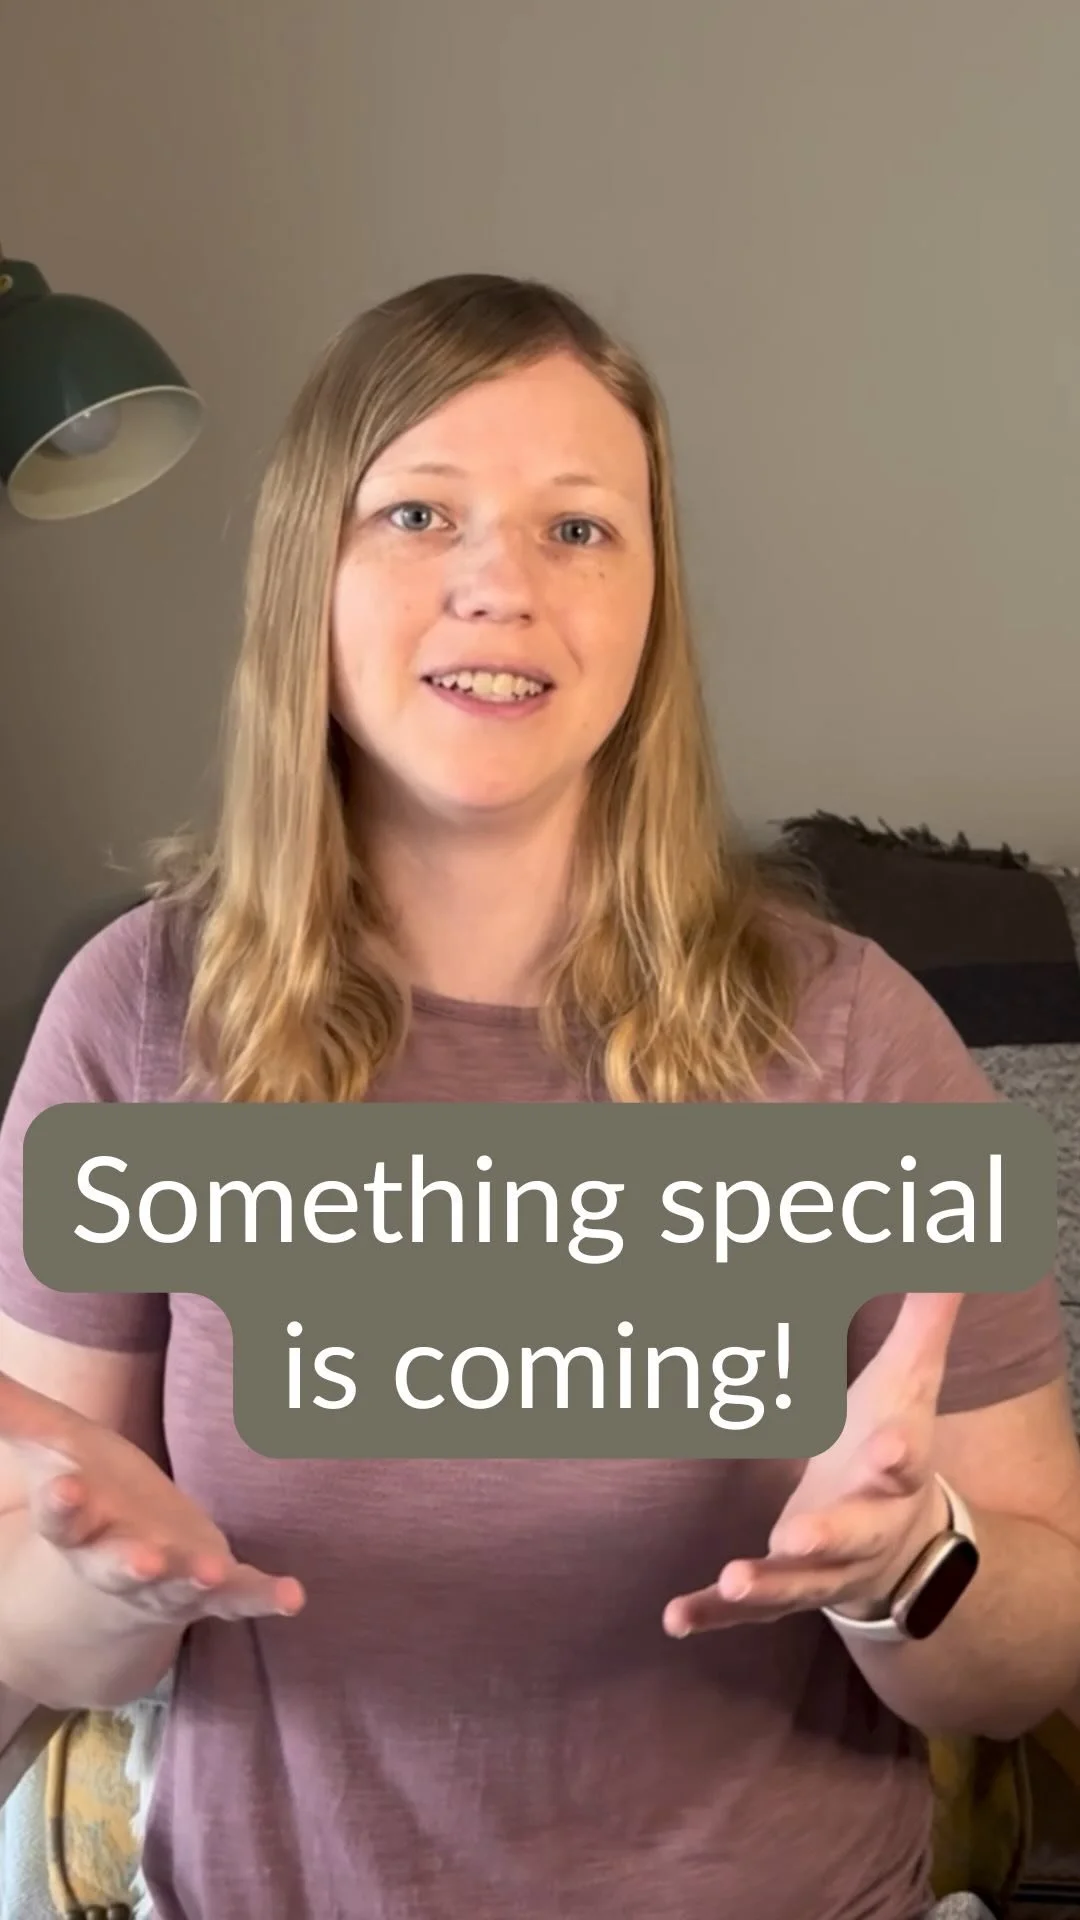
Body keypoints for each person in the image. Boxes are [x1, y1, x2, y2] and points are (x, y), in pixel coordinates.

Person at [0, 272, 1078, 1920]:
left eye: (579, 529)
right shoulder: (136, 1016)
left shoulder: (858, 1035)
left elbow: (1024, 1668)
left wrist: (911, 1564)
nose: (501, 584)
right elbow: (43, 1633)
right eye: (418, 513)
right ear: (307, 575)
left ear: (651, 606)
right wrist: (110, 1586)